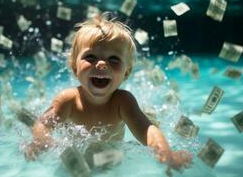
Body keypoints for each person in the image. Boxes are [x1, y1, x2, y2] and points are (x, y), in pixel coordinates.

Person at [25, 13, 192, 171]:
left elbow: (148, 130)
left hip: (111, 160)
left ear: (126, 73)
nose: (102, 64)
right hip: (76, 162)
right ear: (75, 68)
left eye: (114, 59)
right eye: (90, 57)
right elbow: (43, 124)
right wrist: (41, 141)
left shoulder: (123, 102)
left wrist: (166, 154)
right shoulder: (68, 100)